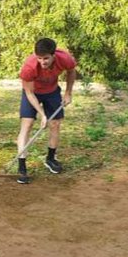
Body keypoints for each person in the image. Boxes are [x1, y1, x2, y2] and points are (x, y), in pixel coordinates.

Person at [16, 37, 76, 184]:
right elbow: (29, 93)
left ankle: (50, 159)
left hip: (52, 92)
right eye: (39, 58)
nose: (43, 62)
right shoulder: (29, 67)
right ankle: (22, 167)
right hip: (33, 93)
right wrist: (42, 114)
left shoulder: (65, 58)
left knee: (55, 124)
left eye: (46, 58)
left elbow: (71, 71)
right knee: (27, 124)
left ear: (53, 55)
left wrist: (68, 92)